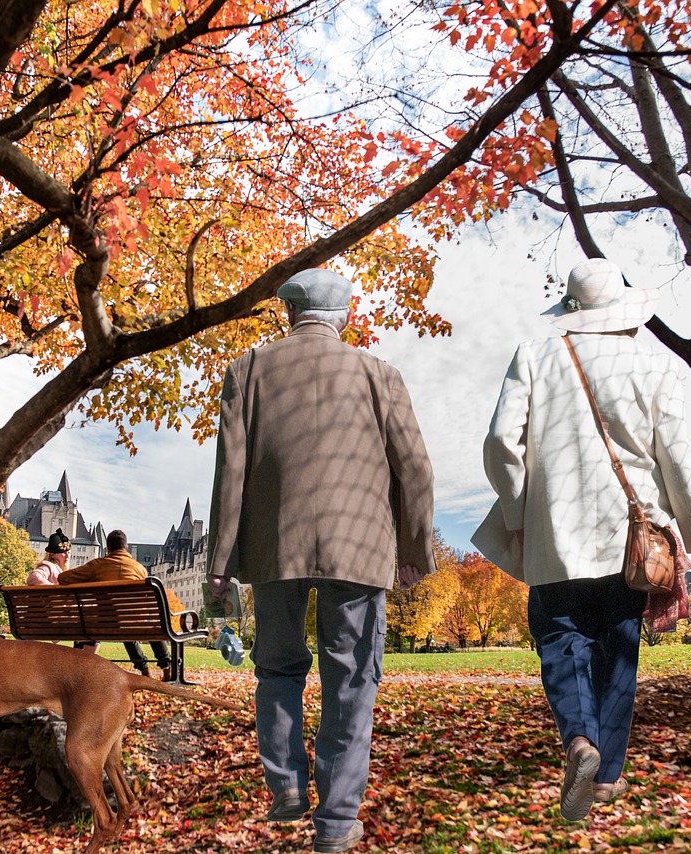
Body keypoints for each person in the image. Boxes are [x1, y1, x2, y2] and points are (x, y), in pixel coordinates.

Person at [475, 258, 691, 822]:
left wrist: (520, 511)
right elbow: (679, 461)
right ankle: (606, 775)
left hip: (554, 533)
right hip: (633, 540)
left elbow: (498, 442)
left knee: (560, 638)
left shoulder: (535, 356)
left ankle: (578, 741)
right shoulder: (655, 366)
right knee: (617, 648)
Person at [206, 268, 436, 854]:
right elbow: (414, 468)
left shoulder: (249, 369)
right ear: (344, 317)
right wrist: (414, 550)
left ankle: (285, 785)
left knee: (277, 668)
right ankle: (335, 821)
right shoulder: (379, 373)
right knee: (352, 679)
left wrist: (220, 561)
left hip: (273, 548)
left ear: (289, 314)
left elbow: (230, 471)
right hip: (358, 547)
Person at [57, 529, 172, 678]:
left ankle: (144, 668)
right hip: (136, 623)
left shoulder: (97, 565)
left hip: (105, 623)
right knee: (138, 625)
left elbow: (63, 578)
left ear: (108, 549)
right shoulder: (140, 569)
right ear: (127, 548)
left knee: (121, 623)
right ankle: (166, 666)